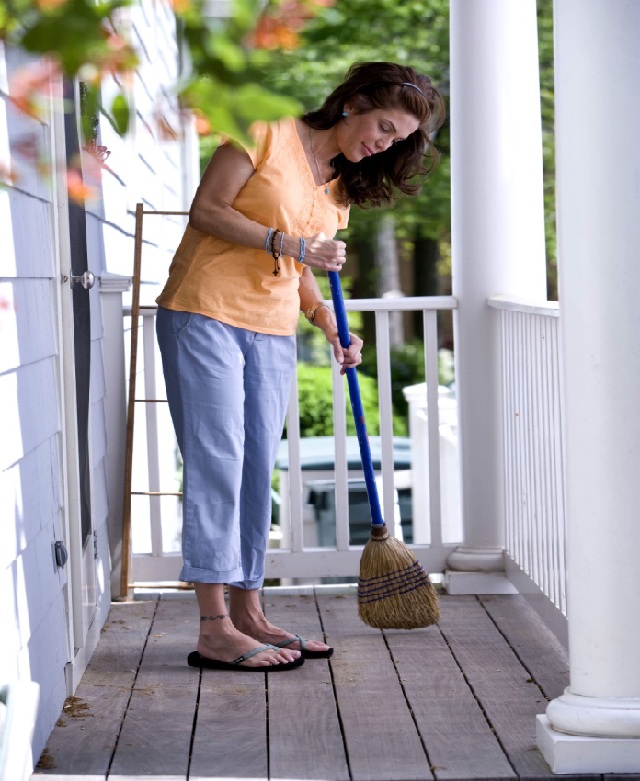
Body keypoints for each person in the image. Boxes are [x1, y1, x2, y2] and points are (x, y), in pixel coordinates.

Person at [155, 61, 446, 672]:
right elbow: (206, 210)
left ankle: (249, 612)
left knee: (258, 467)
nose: (383, 143)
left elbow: (307, 272)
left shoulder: (339, 188)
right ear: (353, 103)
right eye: (383, 127)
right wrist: (289, 243)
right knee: (218, 461)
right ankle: (212, 627)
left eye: (396, 140)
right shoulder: (265, 131)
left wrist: (329, 322)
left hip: (272, 330)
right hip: (204, 311)